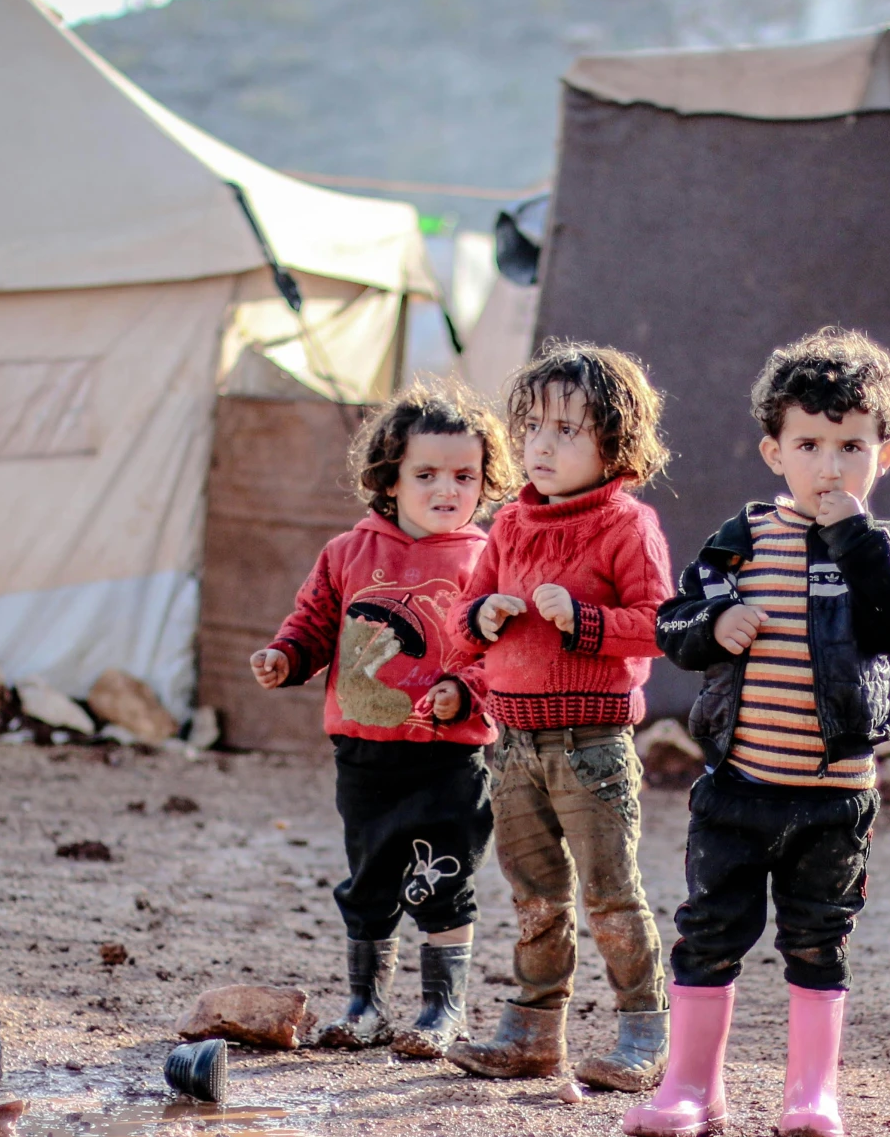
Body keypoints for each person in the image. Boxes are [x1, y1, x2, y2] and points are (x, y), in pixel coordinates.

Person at [624, 327, 890, 1137]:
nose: (830, 466)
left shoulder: (889, 551)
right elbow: (673, 622)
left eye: (851, 446)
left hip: (834, 799)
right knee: (710, 932)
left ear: (887, 454)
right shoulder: (739, 541)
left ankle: (813, 1093)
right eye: (809, 444)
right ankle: (692, 1087)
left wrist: (855, 538)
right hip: (737, 789)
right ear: (774, 451)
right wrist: (715, 621)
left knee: (818, 940)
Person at [249, 380, 516, 1058]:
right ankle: (366, 1003)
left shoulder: (487, 558)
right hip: (364, 752)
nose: (446, 488)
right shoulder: (346, 552)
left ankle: (442, 1008)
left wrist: (464, 689)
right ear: (389, 477)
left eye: (464, 475)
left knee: (444, 876)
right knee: (369, 877)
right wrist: (286, 656)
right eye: (426, 473)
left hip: (447, 755)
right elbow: (313, 622)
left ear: (485, 481)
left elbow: (502, 654)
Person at [445, 341, 676, 1091]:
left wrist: (583, 621)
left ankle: (644, 1029)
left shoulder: (626, 525)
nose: (541, 444)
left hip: (591, 745)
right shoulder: (509, 523)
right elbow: (458, 623)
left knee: (609, 891)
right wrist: (483, 617)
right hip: (512, 746)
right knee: (535, 893)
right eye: (534, 426)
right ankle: (532, 1032)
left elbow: (661, 624)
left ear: (617, 443)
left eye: (567, 430)